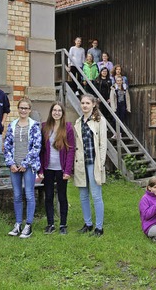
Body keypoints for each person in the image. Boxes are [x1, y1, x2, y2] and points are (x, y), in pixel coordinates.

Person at [4, 97, 42, 238]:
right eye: (21, 108)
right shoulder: (12, 125)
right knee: (17, 195)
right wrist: (11, 163)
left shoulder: (34, 126)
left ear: (30, 110)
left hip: (28, 166)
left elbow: (37, 147)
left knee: (29, 194)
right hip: (15, 166)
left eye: (26, 108)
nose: (23, 110)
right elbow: (7, 145)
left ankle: (28, 225)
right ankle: (18, 223)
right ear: (18, 109)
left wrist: (25, 164)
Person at [74, 94, 107, 237]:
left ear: (93, 104)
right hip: (81, 163)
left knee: (96, 195)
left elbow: (103, 144)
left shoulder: (99, 121)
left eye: (87, 103)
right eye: (82, 103)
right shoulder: (78, 122)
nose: (85, 105)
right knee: (83, 195)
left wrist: (101, 163)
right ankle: (88, 224)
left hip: (94, 163)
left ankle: (99, 227)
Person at [41, 102, 75, 235]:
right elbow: (41, 150)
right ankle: (50, 224)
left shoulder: (68, 128)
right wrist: (41, 170)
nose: (56, 113)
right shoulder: (44, 127)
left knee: (62, 197)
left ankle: (63, 225)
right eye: (54, 110)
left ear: (62, 113)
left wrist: (68, 170)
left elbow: (71, 150)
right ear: (51, 112)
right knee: (48, 196)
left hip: (61, 169)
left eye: (59, 111)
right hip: (48, 168)